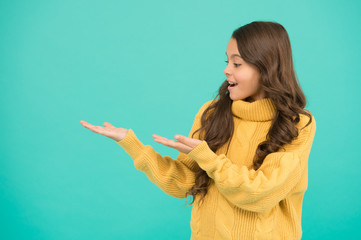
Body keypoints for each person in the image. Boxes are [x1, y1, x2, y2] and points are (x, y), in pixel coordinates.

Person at [80, 21, 316, 240]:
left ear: (266, 68)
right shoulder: (213, 113)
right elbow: (184, 182)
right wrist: (132, 144)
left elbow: (261, 194)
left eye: (237, 63)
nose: (227, 70)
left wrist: (209, 160)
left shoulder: (297, 124)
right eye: (227, 62)